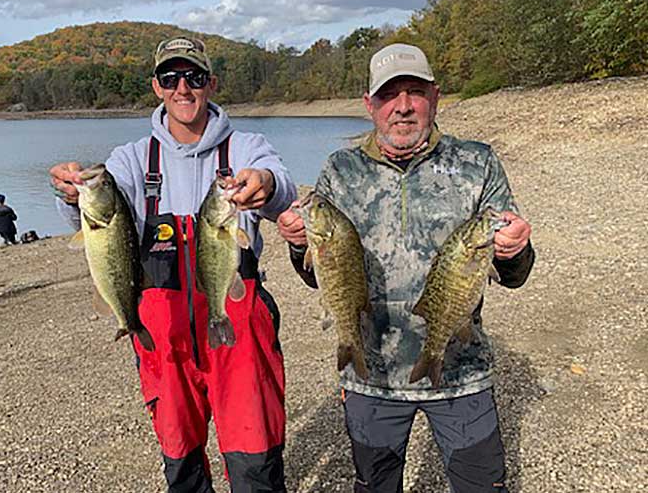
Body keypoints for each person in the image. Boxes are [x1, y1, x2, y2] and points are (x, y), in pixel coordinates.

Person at [277, 43, 534, 493]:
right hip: (370, 375)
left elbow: (513, 274)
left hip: (461, 374)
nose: (402, 106)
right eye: (388, 95)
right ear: (369, 105)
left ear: (435, 97)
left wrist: (515, 250)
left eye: (415, 92)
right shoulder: (340, 170)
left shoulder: (478, 162)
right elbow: (321, 272)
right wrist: (300, 246)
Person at [50, 36, 296, 492]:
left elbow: (280, 186)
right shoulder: (130, 159)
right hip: (164, 336)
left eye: (194, 77)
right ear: (157, 87)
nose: (183, 87)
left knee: (255, 456)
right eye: (171, 77)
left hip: (236, 326)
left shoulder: (245, 145)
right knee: (181, 460)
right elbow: (101, 214)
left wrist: (265, 183)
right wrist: (70, 192)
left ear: (211, 83)